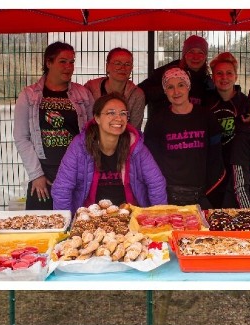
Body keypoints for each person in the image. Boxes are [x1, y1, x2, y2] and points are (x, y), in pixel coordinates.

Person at [51, 93, 167, 216]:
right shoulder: (80, 146)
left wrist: (158, 219)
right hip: (91, 218)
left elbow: (156, 183)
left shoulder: (135, 146)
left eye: (123, 113)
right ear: (97, 118)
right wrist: (66, 224)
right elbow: (62, 188)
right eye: (111, 113)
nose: (118, 118)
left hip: (128, 215)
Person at [14, 41, 93, 210]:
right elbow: (21, 137)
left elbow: (93, 131)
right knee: (41, 226)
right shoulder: (29, 95)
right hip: (45, 173)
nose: (68, 67)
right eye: (62, 61)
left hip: (76, 170)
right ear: (48, 63)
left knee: (77, 223)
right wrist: (36, 175)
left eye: (72, 62)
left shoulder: (83, 94)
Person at [143, 68, 224, 208]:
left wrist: (211, 189)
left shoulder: (206, 116)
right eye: (170, 87)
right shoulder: (157, 121)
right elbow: (151, 161)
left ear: (188, 87)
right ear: (164, 91)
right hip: (169, 194)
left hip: (202, 193)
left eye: (181, 85)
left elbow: (215, 157)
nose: (176, 92)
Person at [203, 52, 249, 208]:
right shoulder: (205, 104)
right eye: (219, 73)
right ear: (213, 77)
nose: (224, 77)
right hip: (213, 169)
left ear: (236, 77)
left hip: (239, 168)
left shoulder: (246, 103)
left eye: (229, 73)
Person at [139, 34, 215, 119]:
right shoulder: (167, 72)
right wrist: (167, 90)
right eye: (191, 52)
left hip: (193, 127)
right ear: (184, 55)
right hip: (164, 124)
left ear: (205, 57)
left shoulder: (206, 81)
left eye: (200, 53)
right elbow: (141, 92)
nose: (195, 57)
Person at [84, 47, 146, 131]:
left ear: (132, 68)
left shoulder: (137, 95)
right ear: (107, 66)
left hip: (123, 141)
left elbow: (134, 130)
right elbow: (85, 122)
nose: (123, 68)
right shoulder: (90, 89)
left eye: (127, 64)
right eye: (117, 63)